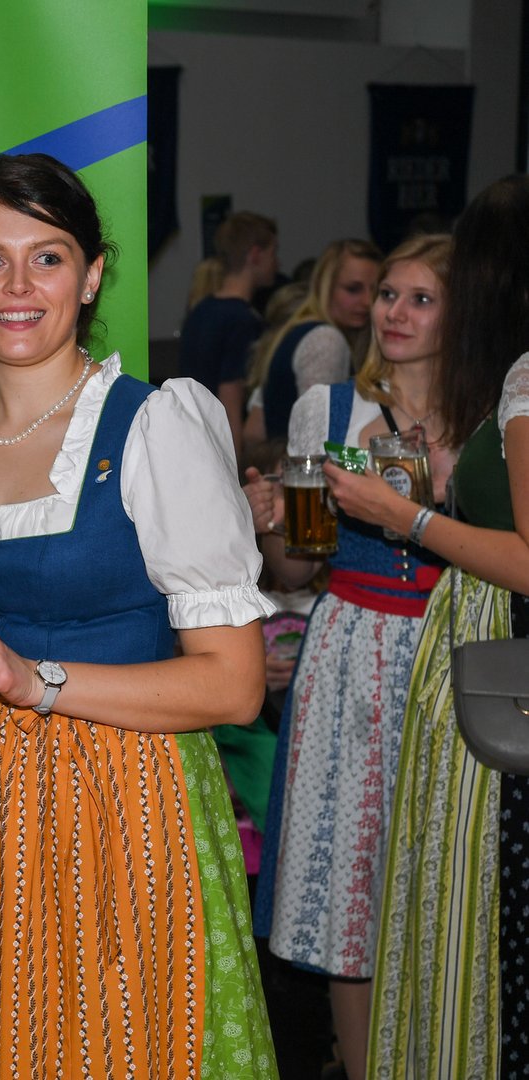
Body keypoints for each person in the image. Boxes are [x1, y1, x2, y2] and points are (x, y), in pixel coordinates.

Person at [0, 153, 277, 1077]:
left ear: (91, 276)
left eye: (47, 258)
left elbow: (234, 685)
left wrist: (37, 680)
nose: (17, 287)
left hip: (122, 803)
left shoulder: (155, 427)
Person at [332, 175, 529, 1078]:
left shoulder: (521, 379)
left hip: (499, 659)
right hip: (477, 647)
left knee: (476, 900)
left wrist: (404, 516)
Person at [244, 235, 453, 1080]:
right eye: (388, 295)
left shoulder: (488, 421)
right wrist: (269, 520)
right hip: (350, 649)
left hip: (447, 652)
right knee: (348, 896)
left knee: (437, 879)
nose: (393, 312)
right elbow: (298, 566)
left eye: (421, 299)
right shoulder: (326, 410)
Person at [246, 239, 382, 443]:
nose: (367, 301)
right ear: (324, 286)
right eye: (353, 289)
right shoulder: (326, 340)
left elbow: (253, 430)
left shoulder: (293, 330)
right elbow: (319, 440)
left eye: (377, 291)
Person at [178, 212, 278, 452]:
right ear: (255, 255)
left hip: (194, 437)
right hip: (221, 444)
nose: (278, 263)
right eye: (274, 253)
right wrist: (234, 467)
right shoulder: (241, 320)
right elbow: (230, 400)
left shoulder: (201, 309)